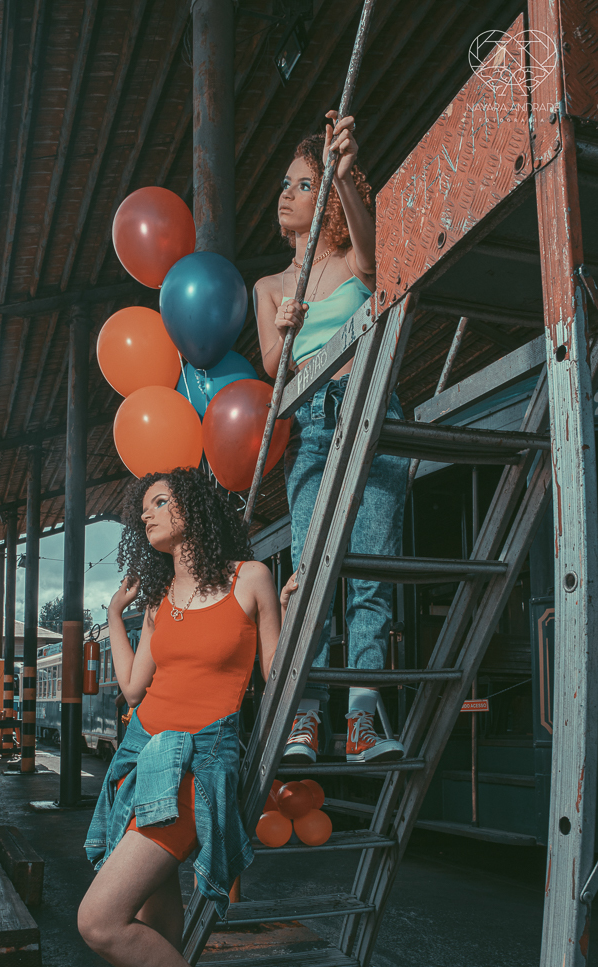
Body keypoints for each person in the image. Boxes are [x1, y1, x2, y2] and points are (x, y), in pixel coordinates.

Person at [78, 469, 288, 967]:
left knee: (100, 921)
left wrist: (298, 608)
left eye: (161, 501)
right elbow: (134, 688)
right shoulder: (160, 598)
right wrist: (115, 616)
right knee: (152, 925)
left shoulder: (250, 578)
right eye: (143, 510)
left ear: (196, 507)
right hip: (143, 759)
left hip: (202, 760)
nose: (149, 515)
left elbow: (277, 679)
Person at [253, 109, 409, 765]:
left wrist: (344, 174)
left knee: (368, 575)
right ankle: (305, 720)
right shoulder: (268, 286)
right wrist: (286, 335)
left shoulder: (350, 260)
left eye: (303, 184)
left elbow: (377, 261)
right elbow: (269, 366)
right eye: (288, 185)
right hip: (313, 423)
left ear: (330, 201)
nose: (287, 194)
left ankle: (363, 722)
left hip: (370, 409)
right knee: (312, 575)